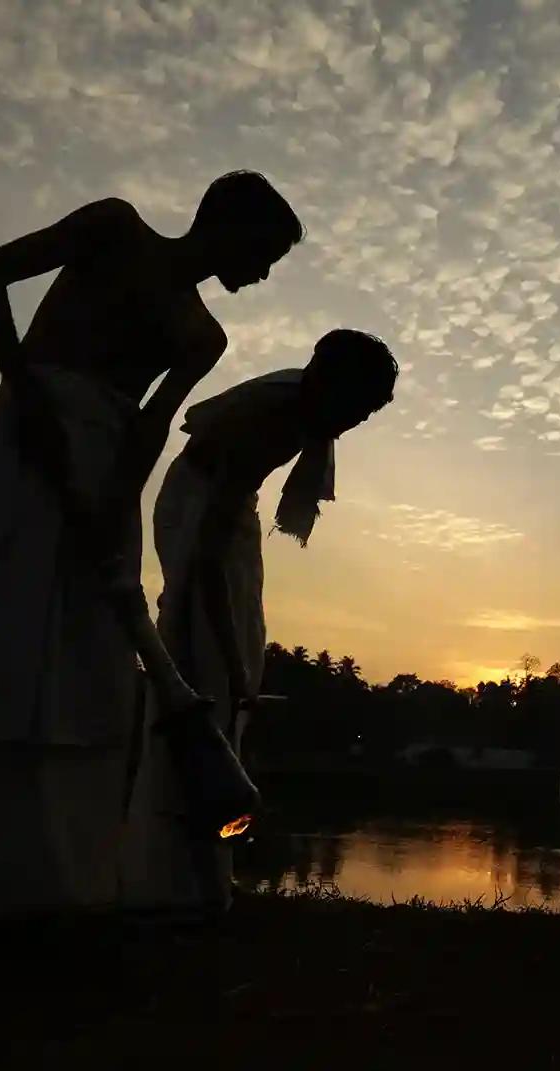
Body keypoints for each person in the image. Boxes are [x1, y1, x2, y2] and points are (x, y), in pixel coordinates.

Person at [0, 172, 304, 937]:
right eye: (263, 253)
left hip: (103, 475)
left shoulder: (206, 336)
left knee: (88, 664)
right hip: (26, 442)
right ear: (227, 221)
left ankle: (53, 886)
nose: (262, 274)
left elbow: (151, 426)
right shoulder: (113, 228)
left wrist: (110, 509)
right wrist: (23, 387)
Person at [148, 331, 397, 913]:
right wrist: (236, 674)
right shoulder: (265, 425)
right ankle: (180, 873)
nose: (353, 425)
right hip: (203, 516)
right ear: (324, 383)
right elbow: (206, 561)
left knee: (226, 663)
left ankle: (201, 869)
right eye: (355, 408)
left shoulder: (303, 408)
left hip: (226, 512)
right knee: (203, 672)